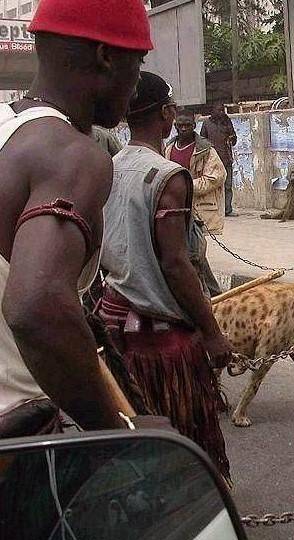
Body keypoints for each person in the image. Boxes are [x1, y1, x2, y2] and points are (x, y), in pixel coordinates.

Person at [0, 0, 153, 438]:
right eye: (138, 62)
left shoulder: (8, 130)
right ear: (106, 56)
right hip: (19, 446)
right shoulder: (72, 154)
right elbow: (35, 306)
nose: (138, 84)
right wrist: (113, 433)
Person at [97, 71, 233, 481]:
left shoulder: (109, 166)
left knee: (136, 432)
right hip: (161, 340)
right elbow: (176, 263)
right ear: (167, 113)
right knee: (184, 432)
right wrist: (212, 332)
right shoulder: (167, 175)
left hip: (114, 324)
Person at [165, 109, 227, 234]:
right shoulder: (168, 149)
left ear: (194, 125)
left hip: (199, 210)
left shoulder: (206, 151)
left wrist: (185, 186)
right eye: (180, 125)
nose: (183, 129)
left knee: (197, 248)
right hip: (174, 208)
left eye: (187, 125)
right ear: (175, 126)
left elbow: (216, 178)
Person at [201, 102, 238, 216]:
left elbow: (234, 139)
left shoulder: (227, 122)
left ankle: (227, 209)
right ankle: (214, 209)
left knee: (227, 186)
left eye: (222, 110)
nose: (221, 113)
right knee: (213, 186)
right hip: (212, 160)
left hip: (226, 158)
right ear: (213, 111)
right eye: (219, 110)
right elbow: (202, 140)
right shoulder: (207, 123)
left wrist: (231, 138)